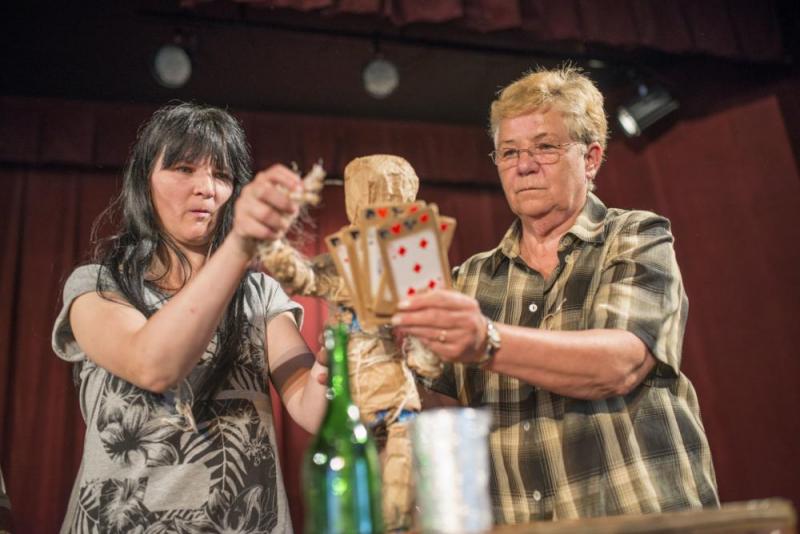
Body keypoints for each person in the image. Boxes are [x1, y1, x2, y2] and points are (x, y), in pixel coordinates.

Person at [392, 66, 719, 524]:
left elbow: (620, 364)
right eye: (509, 152)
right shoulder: (467, 280)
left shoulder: (635, 236)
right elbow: (444, 417)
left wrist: (486, 341)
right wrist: (393, 361)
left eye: (544, 147)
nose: (524, 165)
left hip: (641, 524)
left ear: (591, 158)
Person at [52, 103, 328, 533]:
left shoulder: (258, 294)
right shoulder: (98, 286)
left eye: (222, 175)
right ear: (144, 181)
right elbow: (153, 365)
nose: (207, 188)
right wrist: (242, 243)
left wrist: (340, 359)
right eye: (183, 169)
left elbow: (313, 411)